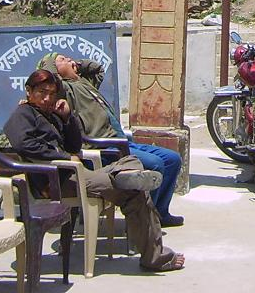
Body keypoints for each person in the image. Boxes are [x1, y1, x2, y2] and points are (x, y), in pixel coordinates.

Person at [3, 69, 184, 272]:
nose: (48, 98)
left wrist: (67, 118)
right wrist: (63, 158)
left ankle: (125, 176)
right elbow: (24, 144)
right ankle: (154, 257)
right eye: (42, 92)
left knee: (130, 160)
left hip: (76, 174)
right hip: (58, 181)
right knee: (135, 193)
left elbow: (74, 146)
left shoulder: (50, 115)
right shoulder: (23, 114)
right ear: (29, 90)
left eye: (52, 94)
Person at [40, 52, 185, 228]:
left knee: (172, 159)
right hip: (105, 146)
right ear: (55, 70)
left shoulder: (83, 82)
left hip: (121, 141)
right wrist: (52, 66)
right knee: (155, 164)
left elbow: (97, 69)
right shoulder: (64, 90)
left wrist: (75, 64)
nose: (68, 60)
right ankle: (143, 224)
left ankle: (159, 213)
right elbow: (49, 79)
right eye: (61, 60)